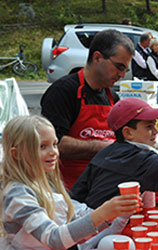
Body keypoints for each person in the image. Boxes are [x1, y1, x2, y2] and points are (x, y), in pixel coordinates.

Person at [0, 116, 139, 250]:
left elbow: (74, 236)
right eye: (42, 146)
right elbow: (55, 239)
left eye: (55, 144)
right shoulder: (17, 194)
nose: (53, 152)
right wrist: (102, 213)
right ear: (16, 154)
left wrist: (113, 216)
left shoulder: (46, 185)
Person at [40, 29, 134, 189]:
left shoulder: (111, 95)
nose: (122, 75)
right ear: (97, 57)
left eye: (125, 69)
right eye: (119, 67)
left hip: (102, 185)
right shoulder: (63, 91)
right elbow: (53, 145)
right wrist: (101, 147)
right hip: (67, 189)